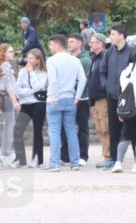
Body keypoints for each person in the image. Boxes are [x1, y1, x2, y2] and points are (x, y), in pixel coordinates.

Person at [44, 34, 86, 171]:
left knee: (55, 132)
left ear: (57, 44)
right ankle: (75, 162)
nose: (50, 47)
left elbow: (53, 81)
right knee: (71, 131)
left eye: (51, 44)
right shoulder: (74, 60)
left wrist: (54, 97)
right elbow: (83, 79)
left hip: (55, 99)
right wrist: (77, 97)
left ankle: (55, 163)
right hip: (70, 99)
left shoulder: (51, 61)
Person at [103, 24, 134, 168]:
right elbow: (103, 72)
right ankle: (114, 158)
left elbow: (135, 73)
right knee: (113, 129)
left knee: (131, 127)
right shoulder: (109, 52)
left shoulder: (132, 52)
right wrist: (107, 85)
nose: (111, 37)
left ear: (121, 35)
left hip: (127, 96)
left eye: (113, 34)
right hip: (112, 96)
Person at [60, 33, 91, 165]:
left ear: (80, 43)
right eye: (68, 41)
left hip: (82, 98)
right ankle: (65, 155)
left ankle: (82, 155)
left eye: (72, 42)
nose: (69, 44)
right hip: (67, 97)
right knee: (65, 127)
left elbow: (85, 79)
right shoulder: (66, 58)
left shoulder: (85, 60)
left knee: (82, 127)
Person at [14, 49, 48, 169]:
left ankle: (37, 158)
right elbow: (17, 88)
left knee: (37, 131)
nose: (28, 60)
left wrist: (32, 73)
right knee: (17, 130)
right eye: (27, 58)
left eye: (31, 58)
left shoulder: (44, 72)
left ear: (38, 60)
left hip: (38, 104)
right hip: (25, 104)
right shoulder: (23, 71)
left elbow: (38, 86)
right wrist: (29, 92)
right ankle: (20, 159)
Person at [88, 33, 112, 168]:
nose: (90, 44)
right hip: (96, 100)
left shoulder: (105, 58)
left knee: (105, 128)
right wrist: (92, 103)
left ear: (100, 44)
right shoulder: (95, 58)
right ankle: (106, 155)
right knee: (99, 128)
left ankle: (109, 156)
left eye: (93, 42)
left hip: (104, 98)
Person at [0, 44, 20, 167]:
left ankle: (6, 150)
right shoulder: (5, 66)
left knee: (8, 124)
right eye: (10, 51)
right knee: (9, 124)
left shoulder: (3, 65)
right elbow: (8, 84)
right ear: (4, 53)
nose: (13, 54)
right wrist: (15, 99)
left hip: (6, 96)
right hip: (7, 96)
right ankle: (6, 150)